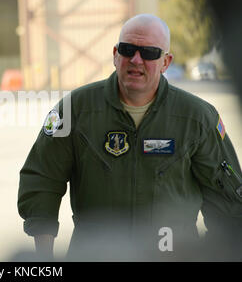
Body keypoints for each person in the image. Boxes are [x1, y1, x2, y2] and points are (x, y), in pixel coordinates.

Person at [18, 14, 242, 261]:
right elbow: (42, 180)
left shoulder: (197, 118)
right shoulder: (74, 110)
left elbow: (229, 203)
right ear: (115, 54)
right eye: (128, 50)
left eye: (149, 53)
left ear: (166, 61)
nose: (136, 60)